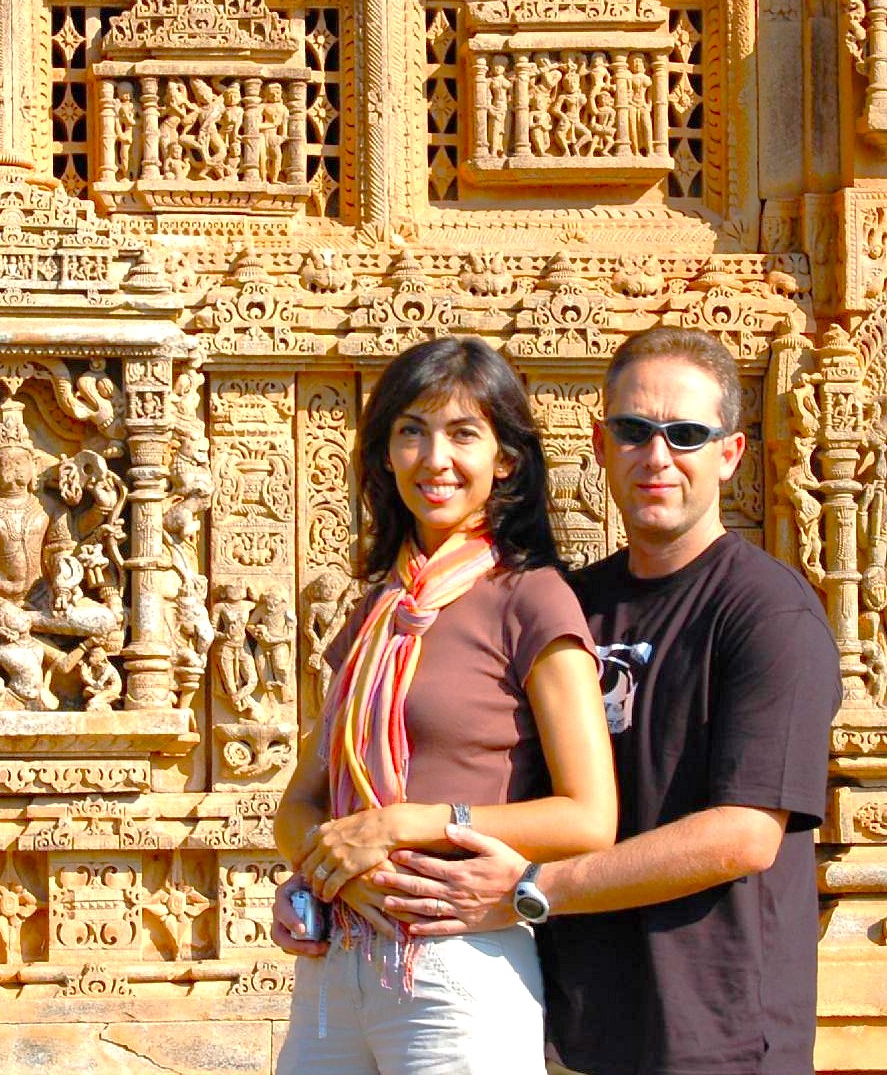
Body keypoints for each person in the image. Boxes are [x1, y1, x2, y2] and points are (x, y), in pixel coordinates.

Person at [301, 327, 841, 1075]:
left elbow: (745, 833)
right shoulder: (570, 604)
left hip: (715, 1030)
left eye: (685, 434)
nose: (655, 457)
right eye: (632, 431)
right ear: (598, 442)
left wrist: (526, 892)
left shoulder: (763, 610)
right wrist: (330, 877)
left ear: (730, 454)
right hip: (579, 1019)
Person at [272, 335, 618, 1075]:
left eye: (463, 434)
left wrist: (414, 823)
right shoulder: (374, 614)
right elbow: (298, 804)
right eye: (411, 431)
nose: (435, 459)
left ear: (505, 460)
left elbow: (590, 816)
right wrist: (330, 869)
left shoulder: (530, 599)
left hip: (457, 961)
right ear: (384, 455)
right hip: (337, 963)